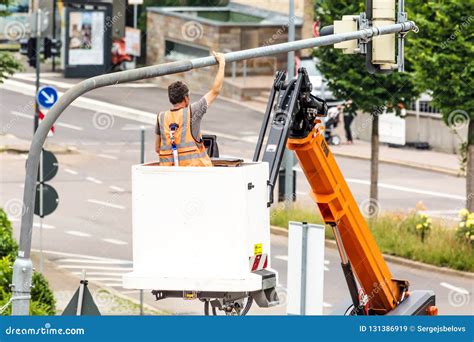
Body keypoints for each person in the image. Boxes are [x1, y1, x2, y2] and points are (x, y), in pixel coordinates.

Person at [155, 51, 226, 166]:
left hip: (169, 175)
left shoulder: (161, 117)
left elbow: (157, 148)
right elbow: (215, 90)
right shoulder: (193, 111)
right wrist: (222, 63)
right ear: (186, 98)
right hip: (195, 174)